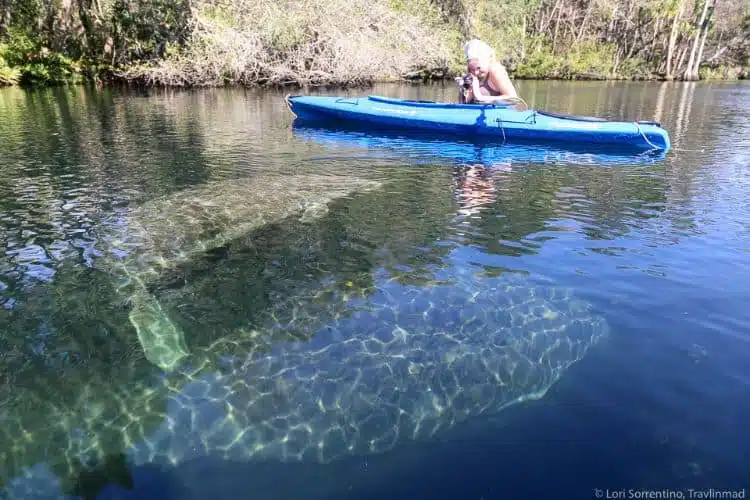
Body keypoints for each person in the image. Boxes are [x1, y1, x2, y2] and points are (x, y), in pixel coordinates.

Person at [456, 39, 519, 105]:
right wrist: (462, 90)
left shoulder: (495, 70)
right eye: (472, 69)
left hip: (498, 113)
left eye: (478, 68)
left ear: (487, 61)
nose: (476, 73)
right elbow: (463, 104)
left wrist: (481, 98)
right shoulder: (472, 73)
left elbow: (513, 99)